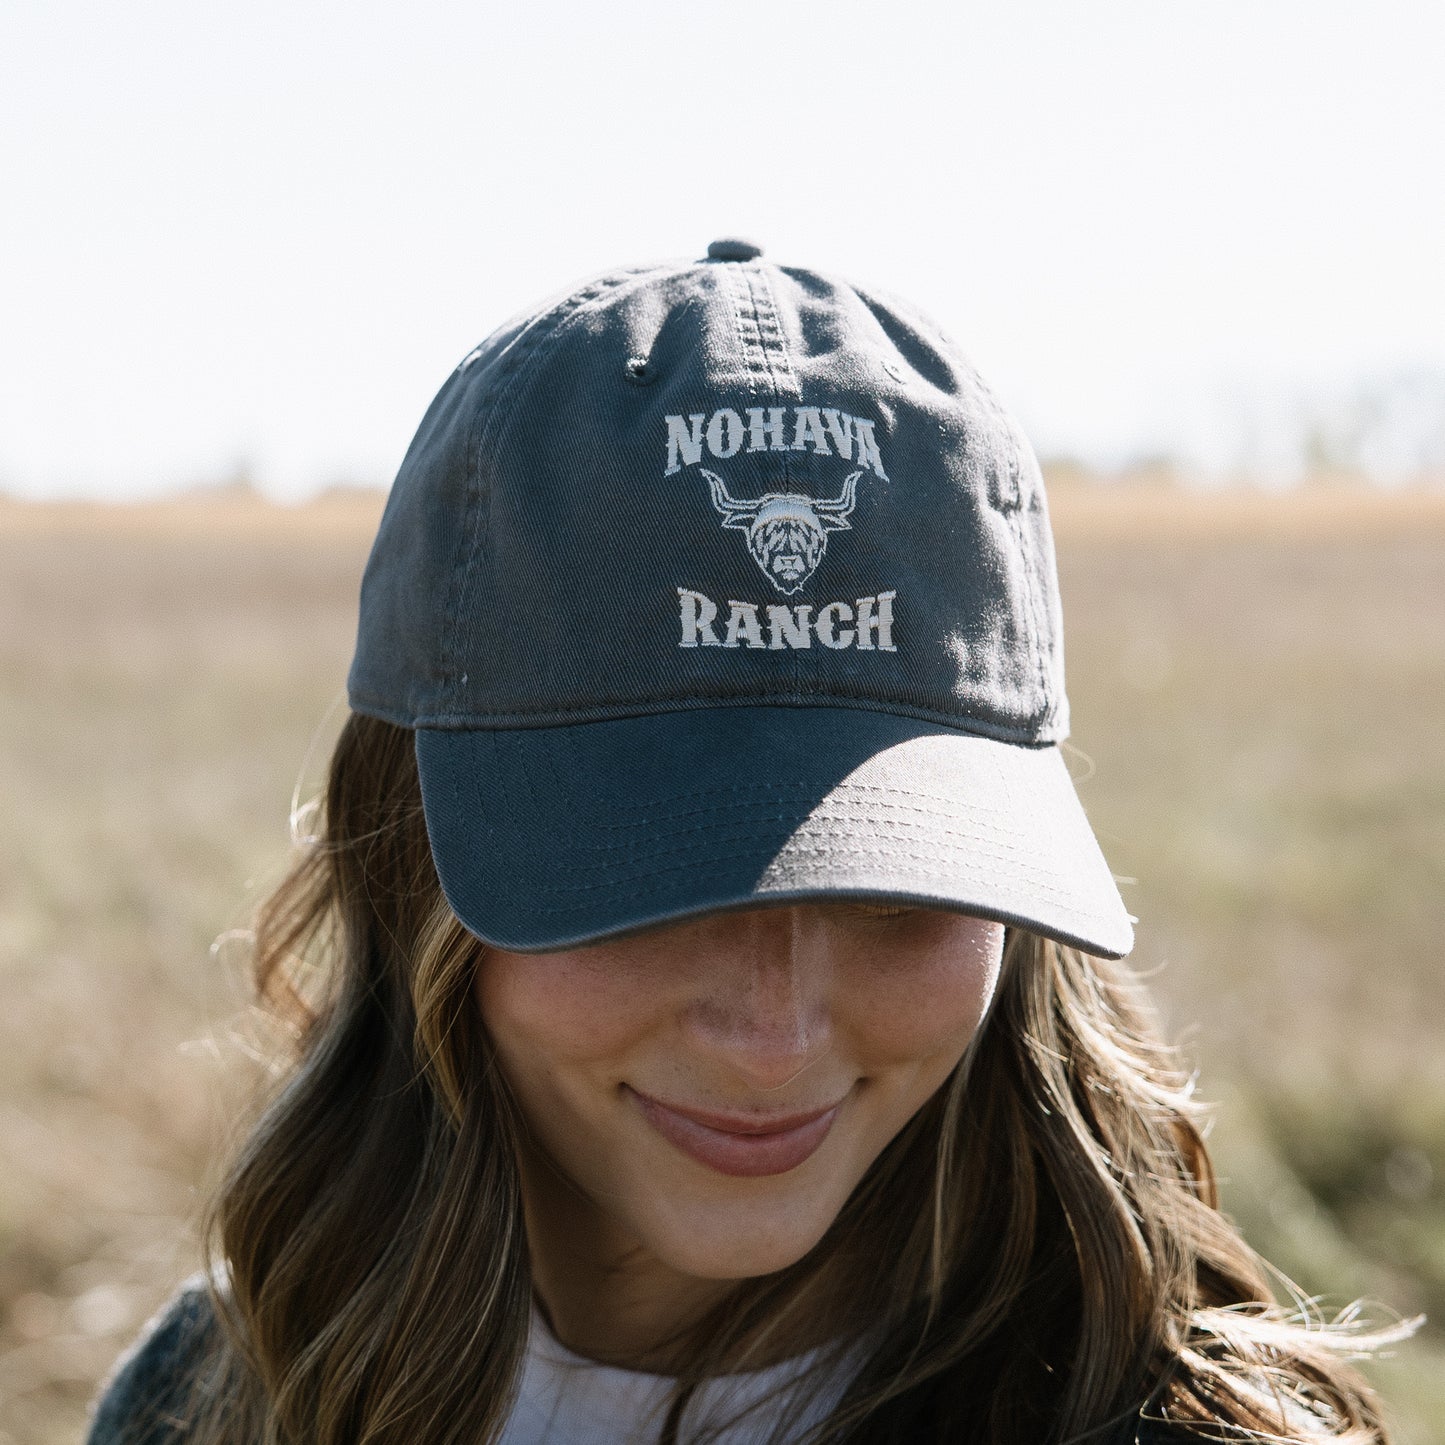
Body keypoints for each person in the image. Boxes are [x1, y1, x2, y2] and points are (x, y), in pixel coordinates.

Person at [87, 239, 1403, 1443]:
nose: (773, 1035)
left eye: (894, 887)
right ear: (410, 869)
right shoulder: (212, 1402)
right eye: (645, 881)